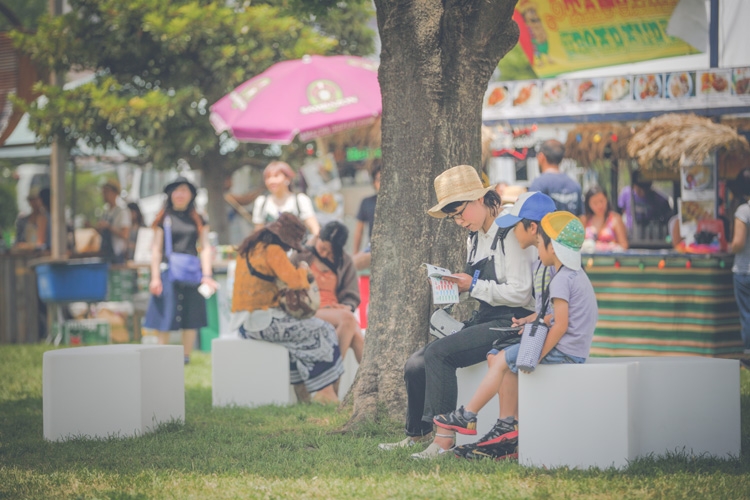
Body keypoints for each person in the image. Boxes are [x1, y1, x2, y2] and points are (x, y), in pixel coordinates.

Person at [378, 165, 536, 459]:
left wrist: (472, 285)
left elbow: (522, 293)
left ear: (480, 199)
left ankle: (444, 440)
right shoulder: (474, 237)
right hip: (485, 318)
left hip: (512, 322)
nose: (460, 221)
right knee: (415, 363)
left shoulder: (510, 231)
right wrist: (452, 285)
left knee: (439, 353)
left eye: (461, 213)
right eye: (453, 218)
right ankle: (417, 434)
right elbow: (479, 286)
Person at [434, 211, 598, 460]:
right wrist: (531, 319)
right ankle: (506, 427)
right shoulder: (574, 276)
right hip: (574, 349)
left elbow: (561, 326)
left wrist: (536, 355)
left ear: (553, 248)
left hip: (564, 351)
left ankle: (468, 414)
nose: (537, 250)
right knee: (500, 357)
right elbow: (555, 316)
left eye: (540, 244)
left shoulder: (560, 281)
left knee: (501, 359)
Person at [231, 213, 344, 403]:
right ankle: (325, 392)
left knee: (299, 341)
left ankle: (303, 394)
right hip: (262, 321)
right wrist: (303, 269)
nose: (289, 250)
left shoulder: (252, 247)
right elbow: (296, 282)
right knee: (324, 329)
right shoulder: (273, 251)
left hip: (245, 323)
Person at [143, 177, 218, 365]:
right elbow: (156, 250)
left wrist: (207, 275)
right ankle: (161, 355)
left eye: (184, 190)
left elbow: (205, 247)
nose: (180, 194)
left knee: (191, 315)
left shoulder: (198, 218)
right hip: (168, 272)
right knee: (165, 314)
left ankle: (186, 357)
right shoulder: (164, 218)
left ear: (191, 195)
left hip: (192, 272)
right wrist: (155, 277)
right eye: (176, 190)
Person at [294, 221, 364, 363]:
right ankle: (331, 371)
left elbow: (351, 295)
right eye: (323, 248)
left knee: (358, 337)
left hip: (335, 310)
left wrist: (347, 306)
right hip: (310, 309)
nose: (325, 254)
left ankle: (372, 375)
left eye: (330, 252)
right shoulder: (301, 255)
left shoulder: (345, 261)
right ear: (318, 236)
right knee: (348, 320)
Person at [252, 161, 320, 237]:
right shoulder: (261, 202)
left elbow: (315, 230)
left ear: (287, 178)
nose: (271, 181)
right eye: (268, 177)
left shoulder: (300, 200)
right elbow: (258, 232)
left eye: (276, 176)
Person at [529, 139, 582, 215]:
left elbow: (532, 215)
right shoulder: (574, 185)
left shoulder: (539, 184)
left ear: (541, 157)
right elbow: (581, 217)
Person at [729, 167, 750, 359]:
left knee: (747, 315)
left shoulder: (744, 211)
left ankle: (748, 354)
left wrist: (728, 247)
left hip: (745, 271)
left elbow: (739, 243)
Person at [617, 170, 672, 236]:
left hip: (650, 234)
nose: (643, 192)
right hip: (631, 233)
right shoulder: (626, 194)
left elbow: (668, 215)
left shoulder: (658, 199)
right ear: (633, 186)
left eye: (646, 189)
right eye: (639, 189)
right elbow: (618, 214)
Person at [580, 186, 629, 251]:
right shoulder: (585, 220)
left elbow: (624, 245)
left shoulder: (615, 219)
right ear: (588, 204)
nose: (599, 205)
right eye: (595, 203)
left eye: (602, 201)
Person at [352, 164, 380, 271]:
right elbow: (359, 231)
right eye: (379, 180)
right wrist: (355, 253)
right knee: (351, 264)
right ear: (374, 182)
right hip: (373, 247)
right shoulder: (367, 202)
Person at [96, 179, 131, 264]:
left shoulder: (122, 211)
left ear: (114, 193)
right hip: (105, 253)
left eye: (106, 192)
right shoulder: (106, 211)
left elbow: (125, 234)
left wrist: (108, 227)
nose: (104, 195)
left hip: (117, 254)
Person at [13, 186, 48, 250]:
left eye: (36, 199)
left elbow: (41, 242)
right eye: (32, 200)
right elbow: (18, 240)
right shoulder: (22, 220)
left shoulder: (45, 218)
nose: (35, 203)